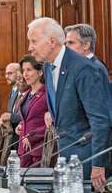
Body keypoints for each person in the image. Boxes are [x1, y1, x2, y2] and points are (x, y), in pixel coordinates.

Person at [27, 17, 109, 190]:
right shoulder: (48, 67)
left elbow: (100, 120)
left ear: (51, 41)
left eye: (33, 41)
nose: (30, 48)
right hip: (65, 155)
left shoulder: (84, 68)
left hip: (86, 159)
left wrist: (98, 164)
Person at [64, 23, 112, 178]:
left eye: (71, 43)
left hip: (89, 146)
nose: (66, 48)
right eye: (65, 43)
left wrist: (98, 162)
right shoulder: (81, 67)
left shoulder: (93, 68)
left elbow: (101, 117)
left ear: (86, 45)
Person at [15, 55, 48, 167]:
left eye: (29, 70)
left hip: (39, 150)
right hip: (23, 150)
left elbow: (53, 122)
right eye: (23, 70)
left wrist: (33, 135)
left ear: (40, 72)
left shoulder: (48, 94)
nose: (25, 74)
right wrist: (21, 125)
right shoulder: (27, 93)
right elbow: (28, 117)